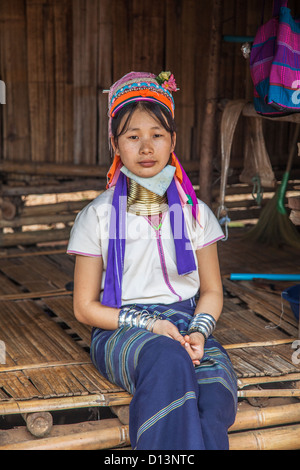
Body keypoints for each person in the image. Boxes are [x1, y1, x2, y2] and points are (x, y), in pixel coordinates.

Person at [67, 71, 237, 450]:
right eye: (133, 136)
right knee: (167, 360)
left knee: (215, 395)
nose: (146, 147)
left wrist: (198, 332)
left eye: (157, 135)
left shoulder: (195, 213)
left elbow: (211, 291)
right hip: (120, 328)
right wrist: (151, 324)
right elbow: (84, 308)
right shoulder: (97, 216)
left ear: (172, 140)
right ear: (115, 144)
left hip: (186, 326)